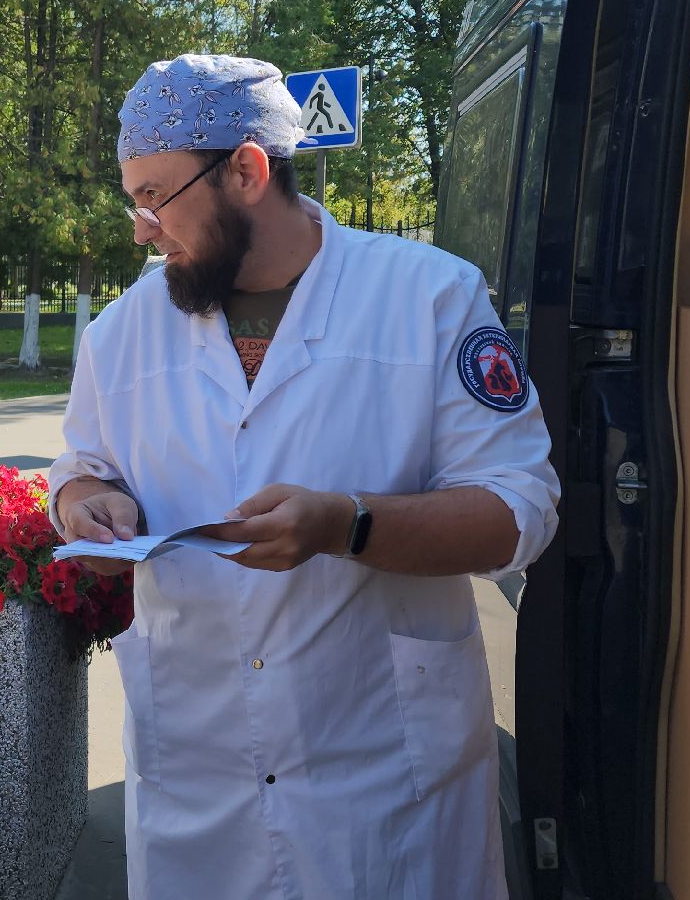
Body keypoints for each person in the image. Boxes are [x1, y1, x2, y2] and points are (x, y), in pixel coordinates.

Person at [50, 54, 561, 899]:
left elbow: (519, 511)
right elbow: (81, 467)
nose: (141, 226)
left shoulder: (428, 298)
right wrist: (85, 505)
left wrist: (349, 526)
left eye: (156, 196)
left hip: (383, 777)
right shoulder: (121, 333)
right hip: (197, 771)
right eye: (131, 197)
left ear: (247, 171)